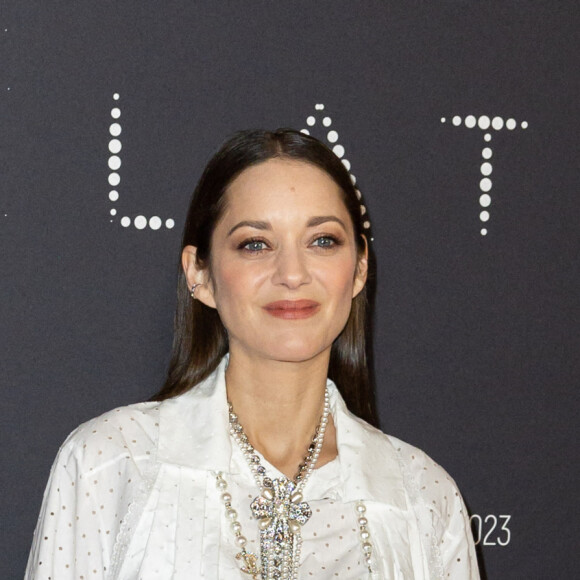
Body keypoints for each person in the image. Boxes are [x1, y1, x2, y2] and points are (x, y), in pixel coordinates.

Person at [26, 129, 480, 579]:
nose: (292, 273)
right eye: (255, 244)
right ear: (199, 273)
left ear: (359, 268)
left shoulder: (423, 498)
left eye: (322, 240)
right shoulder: (111, 462)